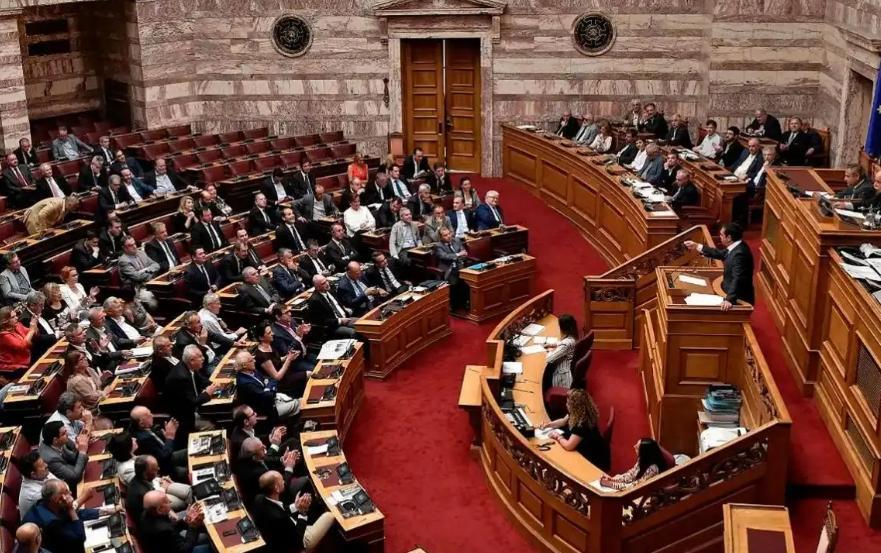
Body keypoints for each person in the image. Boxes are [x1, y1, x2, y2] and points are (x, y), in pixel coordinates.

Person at [251, 471, 336, 553]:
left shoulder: (259, 498)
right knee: (330, 515)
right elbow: (298, 539)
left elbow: (281, 508)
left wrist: (296, 506)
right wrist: (303, 512)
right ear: (276, 488)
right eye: (282, 480)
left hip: (283, 534)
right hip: (299, 541)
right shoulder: (279, 518)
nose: (284, 481)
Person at [22, 480, 115, 553]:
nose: (70, 492)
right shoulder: (51, 522)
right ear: (57, 499)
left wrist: (108, 511)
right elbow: (79, 539)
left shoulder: (47, 503)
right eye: (66, 492)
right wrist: (70, 509)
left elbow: (78, 514)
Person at [684, 222, 754, 309]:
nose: (719, 237)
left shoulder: (740, 254)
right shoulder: (737, 245)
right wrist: (697, 246)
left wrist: (729, 300)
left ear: (729, 238)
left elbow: (738, 278)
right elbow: (720, 253)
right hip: (728, 289)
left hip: (739, 298)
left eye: (721, 235)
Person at [540, 389, 610, 471]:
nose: (566, 405)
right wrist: (548, 425)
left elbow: (569, 446)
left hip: (593, 459)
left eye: (568, 403)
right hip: (586, 447)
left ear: (576, 407)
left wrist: (557, 436)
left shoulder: (583, 423)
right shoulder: (579, 412)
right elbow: (562, 421)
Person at [163, 345, 220, 447]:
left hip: (192, 410)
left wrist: (214, 385)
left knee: (215, 417)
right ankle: (202, 448)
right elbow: (191, 402)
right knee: (210, 425)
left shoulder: (188, 366)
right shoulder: (180, 377)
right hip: (183, 417)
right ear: (192, 360)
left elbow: (202, 380)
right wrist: (207, 394)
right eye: (200, 357)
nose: (203, 359)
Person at [236, 437, 308, 504]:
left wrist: (282, 459)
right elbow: (281, 489)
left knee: (293, 443)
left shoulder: (249, 458)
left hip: (275, 480)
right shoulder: (257, 473)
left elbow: (266, 460)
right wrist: (289, 468)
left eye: (262, 444)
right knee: (307, 481)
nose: (265, 447)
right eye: (261, 448)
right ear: (254, 457)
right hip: (279, 495)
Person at [138, 490, 210, 553]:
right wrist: (193, 526)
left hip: (169, 544)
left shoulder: (147, 513)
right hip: (177, 549)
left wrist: (186, 519)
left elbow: (172, 527)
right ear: (159, 509)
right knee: (209, 542)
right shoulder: (164, 530)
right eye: (167, 501)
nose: (170, 501)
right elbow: (184, 549)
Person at [125, 455, 192, 523]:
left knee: (189, 491)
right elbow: (156, 520)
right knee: (186, 503)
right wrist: (175, 514)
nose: (158, 469)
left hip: (161, 503)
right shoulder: (142, 495)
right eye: (154, 469)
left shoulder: (141, 478)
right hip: (160, 521)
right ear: (145, 474)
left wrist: (162, 482)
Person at [235, 350, 300, 420]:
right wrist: (269, 388)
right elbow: (267, 396)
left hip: (272, 399)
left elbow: (271, 379)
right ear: (244, 365)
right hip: (265, 409)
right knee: (297, 404)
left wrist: (268, 389)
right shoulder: (245, 383)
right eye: (251, 360)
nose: (254, 361)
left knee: (295, 399)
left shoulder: (253, 371)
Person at [128, 405, 189, 479]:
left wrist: (165, 435)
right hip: (163, 468)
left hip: (166, 453)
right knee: (189, 472)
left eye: (150, 413)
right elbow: (164, 458)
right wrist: (170, 437)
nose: (152, 415)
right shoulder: (144, 439)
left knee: (191, 451)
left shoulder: (140, 427)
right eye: (148, 415)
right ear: (141, 423)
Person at [256, 318, 309, 395]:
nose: (273, 334)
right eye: (269, 333)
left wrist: (289, 356)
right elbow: (277, 377)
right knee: (309, 374)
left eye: (271, 331)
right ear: (261, 337)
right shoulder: (262, 356)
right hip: (281, 382)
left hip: (286, 372)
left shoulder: (269, 344)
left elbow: (276, 360)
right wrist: (288, 360)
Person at [37, 421, 89, 491]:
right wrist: (82, 452)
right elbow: (74, 477)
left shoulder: (59, 441)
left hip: (71, 470)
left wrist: (79, 446)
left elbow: (73, 458)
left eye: (66, 431)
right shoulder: (50, 459)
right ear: (55, 440)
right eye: (64, 433)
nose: (67, 434)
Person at [600, 438, 669, 490]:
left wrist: (610, 484)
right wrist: (612, 479)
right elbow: (631, 475)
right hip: (636, 487)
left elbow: (634, 487)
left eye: (637, 447)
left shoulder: (652, 469)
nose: (634, 446)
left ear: (645, 452)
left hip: (643, 494)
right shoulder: (643, 459)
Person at [307, 274, 357, 338]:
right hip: (333, 327)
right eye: (323, 283)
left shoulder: (330, 290)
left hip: (345, 318)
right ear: (317, 287)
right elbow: (322, 321)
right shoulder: (315, 301)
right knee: (353, 332)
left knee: (362, 323)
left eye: (326, 281)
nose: (327, 284)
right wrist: (340, 321)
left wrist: (345, 309)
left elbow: (337, 304)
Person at [19, 291, 61, 362]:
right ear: (32, 305)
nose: (43, 307)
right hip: (43, 353)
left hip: (54, 344)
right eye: (41, 305)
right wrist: (56, 335)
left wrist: (57, 332)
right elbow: (37, 340)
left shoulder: (38, 311)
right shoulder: (25, 319)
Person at [435, 227, 468, 309]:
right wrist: (458, 255)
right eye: (445, 235)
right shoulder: (438, 246)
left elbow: (464, 253)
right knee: (454, 283)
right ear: (441, 237)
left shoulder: (456, 240)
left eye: (449, 234)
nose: (449, 236)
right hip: (448, 269)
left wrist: (460, 255)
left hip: (460, 266)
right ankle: (454, 305)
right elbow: (445, 256)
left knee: (468, 281)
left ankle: (465, 302)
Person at [544, 314, 579, 388]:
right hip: (565, 366)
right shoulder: (572, 337)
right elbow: (562, 343)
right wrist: (553, 345)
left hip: (562, 375)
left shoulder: (566, 344)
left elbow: (549, 359)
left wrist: (549, 350)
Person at [0, 306, 35, 377]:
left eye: (16, 316)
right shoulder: (3, 336)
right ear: (5, 320)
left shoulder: (17, 325)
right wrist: (32, 330)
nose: (16, 318)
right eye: (13, 317)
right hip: (13, 366)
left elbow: (34, 333)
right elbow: (22, 346)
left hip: (26, 359)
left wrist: (34, 324)